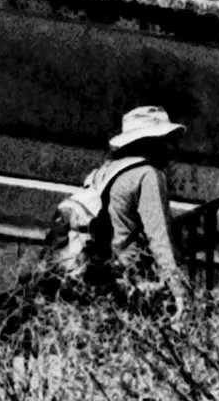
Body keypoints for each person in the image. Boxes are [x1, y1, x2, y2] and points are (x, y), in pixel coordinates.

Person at [56, 100, 189, 313]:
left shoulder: (104, 171)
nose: (170, 148)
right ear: (150, 142)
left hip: (94, 276)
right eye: (165, 140)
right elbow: (159, 236)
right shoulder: (148, 175)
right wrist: (178, 289)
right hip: (128, 283)